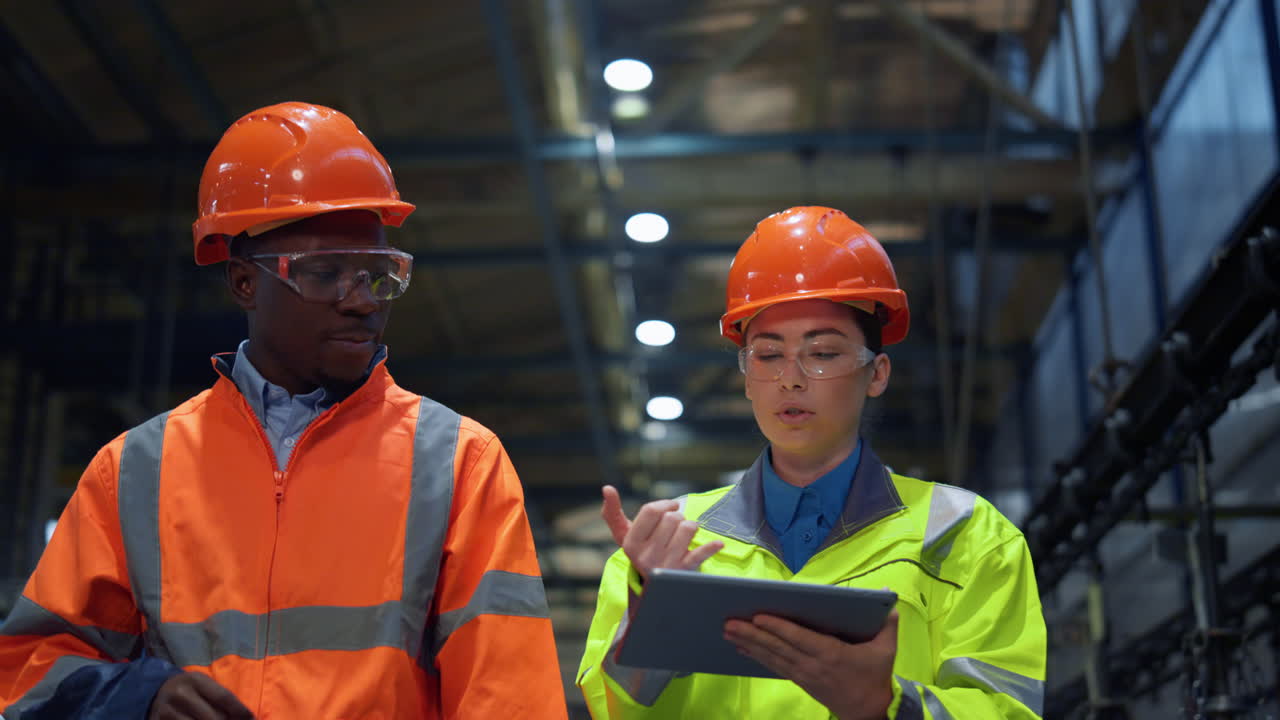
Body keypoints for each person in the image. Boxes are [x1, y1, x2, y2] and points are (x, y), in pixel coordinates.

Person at [0, 102, 567, 719]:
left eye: (379, 274)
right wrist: (137, 699)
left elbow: (511, 698)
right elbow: (28, 670)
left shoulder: (458, 464)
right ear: (244, 282)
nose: (362, 302)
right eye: (325, 273)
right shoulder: (136, 471)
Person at [577, 207, 1046, 719]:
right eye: (768, 355)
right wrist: (651, 621)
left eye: (822, 353)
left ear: (877, 374)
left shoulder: (964, 537)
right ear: (746, 375)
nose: (791, 378)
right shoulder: (668, 546)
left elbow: (1007, 710)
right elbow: (612, 711)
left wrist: (887, 708)